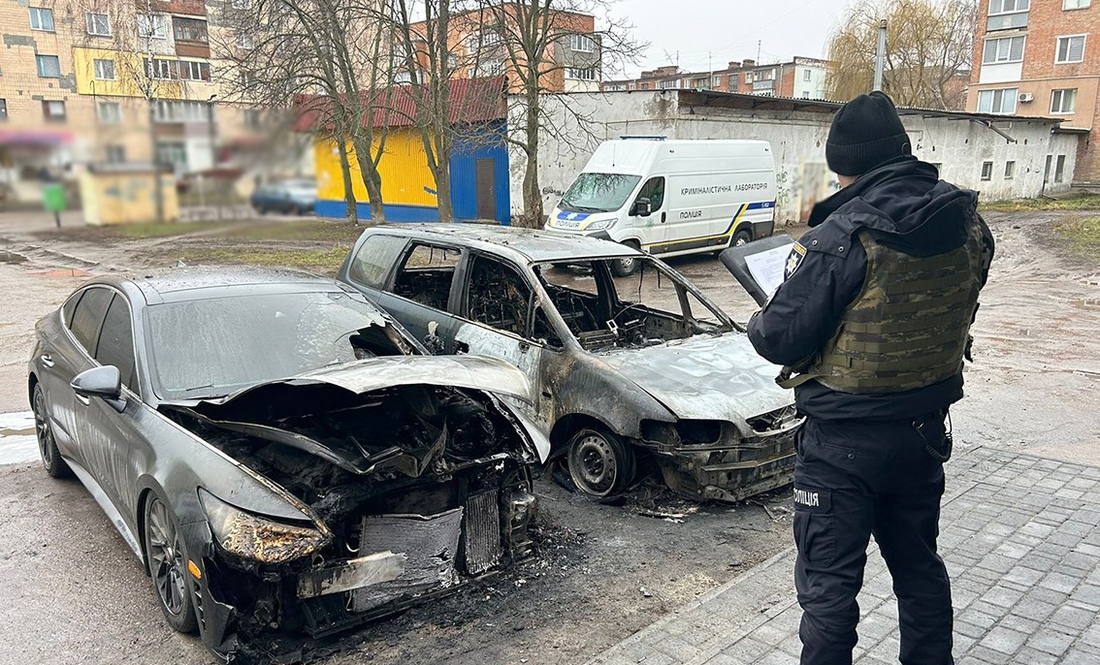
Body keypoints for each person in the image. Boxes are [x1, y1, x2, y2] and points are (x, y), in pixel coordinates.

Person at [746, 91, 995, 665]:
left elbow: (777, 339)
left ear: (843, 164)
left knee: (829, 597)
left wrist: (767, 310)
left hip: (841, 448)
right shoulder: (967, 225)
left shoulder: (844, 236)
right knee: (920, 574)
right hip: (922, 434)